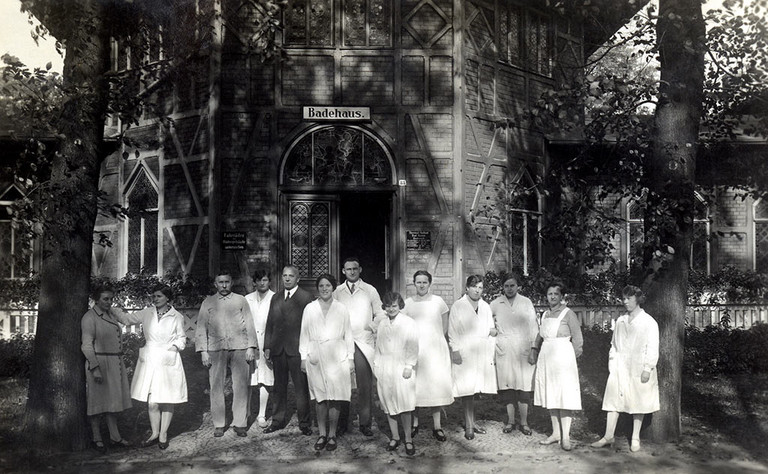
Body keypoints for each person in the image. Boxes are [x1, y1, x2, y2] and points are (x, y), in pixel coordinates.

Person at [113, 284, 188, 450]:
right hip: (151, 359)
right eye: (153, 296)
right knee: (152, 402)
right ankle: (155, 433)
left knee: (167, 399)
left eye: (159, 296)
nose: (155, 299)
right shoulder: (147, 312)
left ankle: (163, 434)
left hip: (168, 360)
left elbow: (182, 338)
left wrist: (174, 347)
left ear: (167, 298)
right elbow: (127, 319)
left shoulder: (177, 316)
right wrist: (111, 308)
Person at [591, 285, 660, 452]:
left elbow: (653, 347)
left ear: (638, 299)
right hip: (619, 366)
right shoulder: (621, 321)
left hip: (639, 366)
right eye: (623, 298)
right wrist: (612, 363)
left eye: (629, 298)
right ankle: (608, 435)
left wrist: (648, 368)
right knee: (613, 400)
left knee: (638, 400)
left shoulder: (649, 322)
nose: (625, 301)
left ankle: (635, 437)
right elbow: (614, 345)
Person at [195, 271, 259, 438]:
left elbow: (249, 323)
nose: (224, 285)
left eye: (227, 282)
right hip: (215, 348)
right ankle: (219, 423)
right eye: (220, 282)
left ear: (232, 283)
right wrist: (203, 351)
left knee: (241, 386)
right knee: (216, 386)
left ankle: (240, 423)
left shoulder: (240, 300)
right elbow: (201, 327)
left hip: (240, 347)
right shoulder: (208, 302)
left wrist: (251, 347)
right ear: (215, 284)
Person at [299, 274, 355, 452]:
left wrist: (351, 358)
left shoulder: (341, 308)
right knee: (320, 396)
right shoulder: (310, 308)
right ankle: (322, 434)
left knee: (336, 396)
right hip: (315, 354)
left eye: (328, 286)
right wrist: (303, 357)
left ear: (333, 288)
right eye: (321, 286)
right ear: (317, 288)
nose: (324, 289)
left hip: (337, 355)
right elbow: (304, 334)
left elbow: (348, 334)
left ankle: (332, 434)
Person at [333, 257, 385, 437]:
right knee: (343, 384)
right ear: (343, 271)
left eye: (355, 268)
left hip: (363, 342)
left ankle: (365, 423)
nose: (352, 272)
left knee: (364, 385)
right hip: (343, 343)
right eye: (348, 269)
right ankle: (342, 424)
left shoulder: (370, 290)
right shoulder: (337, 292)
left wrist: (371, 326)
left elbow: (380, 313)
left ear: (360, 269)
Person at [530, 281, 583, 451]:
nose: (552, 297)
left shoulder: (569, 314)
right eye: (550, 294)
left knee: (564, 396)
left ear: (561, 296)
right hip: (547, 356)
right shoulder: (545, 314)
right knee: (551, 394)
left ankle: (565, 436)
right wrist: (534, 349)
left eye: (556, 294)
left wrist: (570, 360)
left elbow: (578, 340)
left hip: (563, 359)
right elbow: (540, 335)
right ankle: (556, 433)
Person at [81, 284, 133, 452]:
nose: (109, 302)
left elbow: (125, 319)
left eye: (111, 299)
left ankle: (115, 437)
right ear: (96, 300)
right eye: (105, 299)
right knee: (97, 402)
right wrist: (95, 367)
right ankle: (97, 438)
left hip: (114, 363)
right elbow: (87, 345)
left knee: (113, 402)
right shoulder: (89, 317)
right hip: (99, 362)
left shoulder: (110, 314)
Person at [263, 265, 314, 435]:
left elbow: (310, 325)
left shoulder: (306, 297)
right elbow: (270, 322)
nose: (287, 278)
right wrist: (267, 346)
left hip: (297, 350)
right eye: (284, 275)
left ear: (298, 279)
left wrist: (308, 350)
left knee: (301, 387)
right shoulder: (276, 297)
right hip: (278, 349)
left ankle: (304, 423)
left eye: (291, 276)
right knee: (279, 387)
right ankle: (277, 421)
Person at [403, 270, 453, 441]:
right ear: (414, 283)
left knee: (434, 386)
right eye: (418, 282)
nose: (422, 285)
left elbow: (444, 325)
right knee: (416, 386)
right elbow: (405, 326)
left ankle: (437, 426)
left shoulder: (438, 302)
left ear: (430, 284)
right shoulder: (408, 303)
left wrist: (435, 339)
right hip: (416, 350)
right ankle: (415, 424)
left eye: (425, 282)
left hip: (435, 350)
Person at [448, 274, 498, 440]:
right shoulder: (458, 306)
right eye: (474, 287)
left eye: (480, 287)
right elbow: (453, 330)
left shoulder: (485, 307)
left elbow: (491, 330)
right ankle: (469, 425)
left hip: (481, 351)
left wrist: (491, 338)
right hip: (465, 351)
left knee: (476, 389)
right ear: (467, 288)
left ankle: (473, 422)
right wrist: (455, 350)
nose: (477, 290)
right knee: (467, 390)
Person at [490, 273, 537, 436]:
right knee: (507, 387)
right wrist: (493, 331)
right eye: (506, 286)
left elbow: (533, 327)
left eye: (512, 285)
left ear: (518, 287)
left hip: (523, 347)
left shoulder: (526, 302)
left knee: (523, 387)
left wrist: (533, 349)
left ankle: (524, 422)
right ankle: (510, 421)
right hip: (504, 347)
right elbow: (486, 323)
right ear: (502, 287)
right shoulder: (496, 304)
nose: (509, 289)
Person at [374, 292, 419, 455]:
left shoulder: (408, 323)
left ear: (400, 306)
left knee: (405, 404)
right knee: (388, 403)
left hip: (402, 366)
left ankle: (408, 438)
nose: (391, 309)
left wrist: (409, 365)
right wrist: (377, 366)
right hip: (385, 367)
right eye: (388, 306)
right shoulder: (382, 324)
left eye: (394, 306)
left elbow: (413, 345)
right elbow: (378, 347)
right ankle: (395, 437)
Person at [245, 268, 275, 428]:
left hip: (267, 343)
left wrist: (271, 345)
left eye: (265, 280)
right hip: (249, 343)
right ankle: (246, 412)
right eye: (259, 280)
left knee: (265, 378)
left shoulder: (274, 298)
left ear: (269, 282)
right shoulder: (247, 299)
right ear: (254, 282)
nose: (262, 283)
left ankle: (261, 414)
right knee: (249, 378)